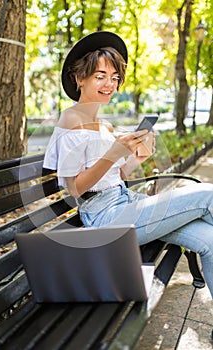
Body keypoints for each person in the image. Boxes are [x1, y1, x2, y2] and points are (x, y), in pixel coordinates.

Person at [43, 31, 213, 298]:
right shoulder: (71, 120)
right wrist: (113, 151)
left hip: (125, 202)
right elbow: (75, 188)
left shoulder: (103, 124)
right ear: (79, 78)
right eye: (100, 76)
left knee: (209, 242)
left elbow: (114, 175)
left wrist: (136, 158)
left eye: (114, 78)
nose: (109, 84)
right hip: (104, 218)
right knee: (207, 194)